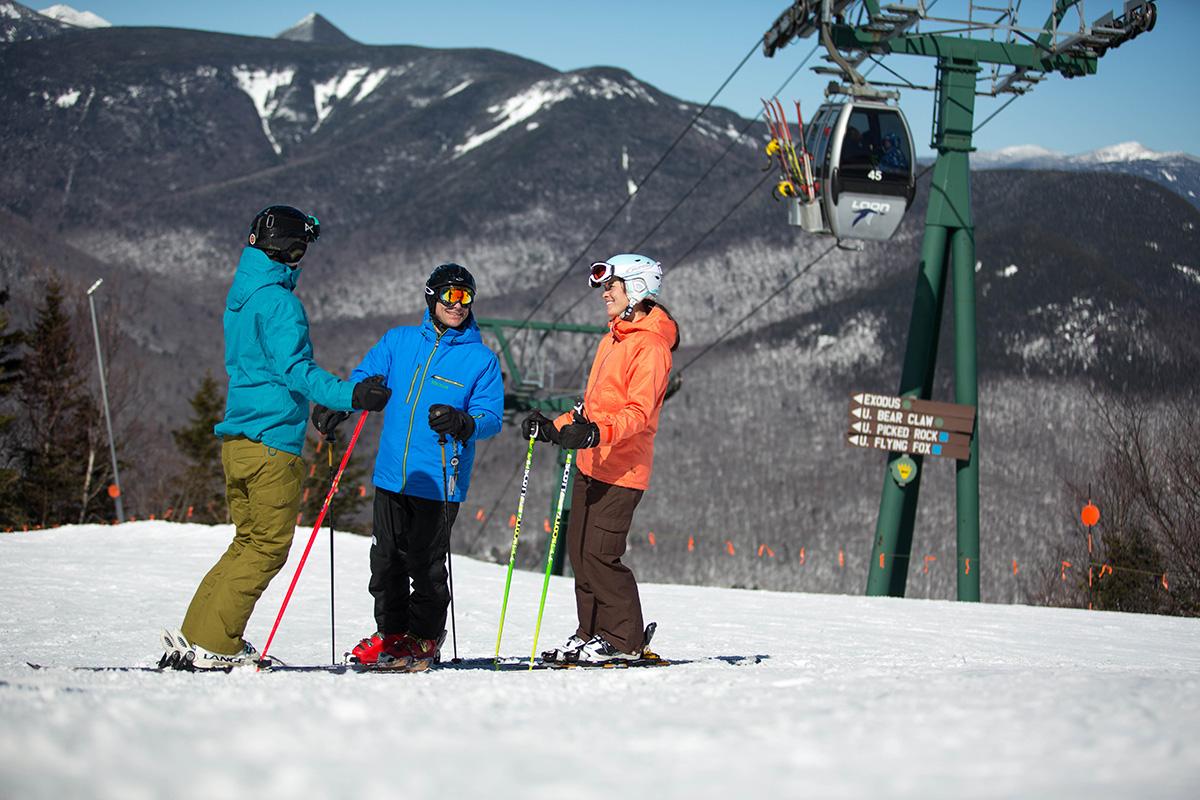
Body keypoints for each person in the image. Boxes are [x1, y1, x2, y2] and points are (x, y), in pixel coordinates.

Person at [173, 205, 392, 670]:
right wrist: (352, 394)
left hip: (238, 440)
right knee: (268, 547)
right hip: (272, 442)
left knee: (246, 542)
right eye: (303, 247)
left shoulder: (243, 294)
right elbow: (296, 371)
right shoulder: (279, 302)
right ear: (293, 250)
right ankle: (217, 643)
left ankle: (199, 634)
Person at [313, 263, 503, 669]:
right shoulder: (398, 342)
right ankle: (392, 633)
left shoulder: (480, 360)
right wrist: (344, 404)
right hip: (391, 474)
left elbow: (491, 417)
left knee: (424, 563)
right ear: (431, 297)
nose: (458, 305)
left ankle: (423, 637)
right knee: (385, 562)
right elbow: (366, 380)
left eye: (466, 297)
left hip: (439, 479)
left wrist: (464, 422)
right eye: (450, 295)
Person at [522, 253, 679, 664]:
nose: (605, 293)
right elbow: (593, 406)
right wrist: (555, 428)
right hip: (593, 463)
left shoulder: (651, 347)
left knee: (601, 555)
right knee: (580, 552)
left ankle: (623, 638)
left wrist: (595, 433)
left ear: (637, 288)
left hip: (623, 469)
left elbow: (638, 413)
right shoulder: (613, 339)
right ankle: (590, 632)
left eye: (612, 286)